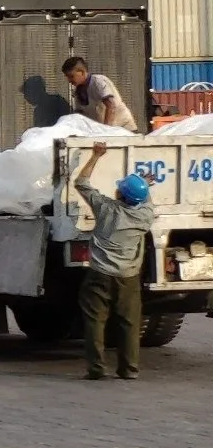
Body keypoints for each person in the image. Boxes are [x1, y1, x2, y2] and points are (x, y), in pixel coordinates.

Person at [73, 146, 152, 379]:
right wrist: (144, 186)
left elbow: (81, 182)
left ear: (119, 194)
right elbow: (144, 199)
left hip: (99, 275)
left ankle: (96, 368)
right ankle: (129, 369)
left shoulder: (105, 208)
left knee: (95, 321)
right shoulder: (145, 216)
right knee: (130, 322)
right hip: (128, 277)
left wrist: (96, 155)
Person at [62, 56, 137, 130]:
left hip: (123, 129)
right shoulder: (78, 91)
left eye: (71, 76)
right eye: (67, 77)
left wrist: (106, 130)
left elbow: (111, 106)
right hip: (103, 131)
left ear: (81, 72)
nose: (69, 80)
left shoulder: (98, 82)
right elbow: (80, 114)